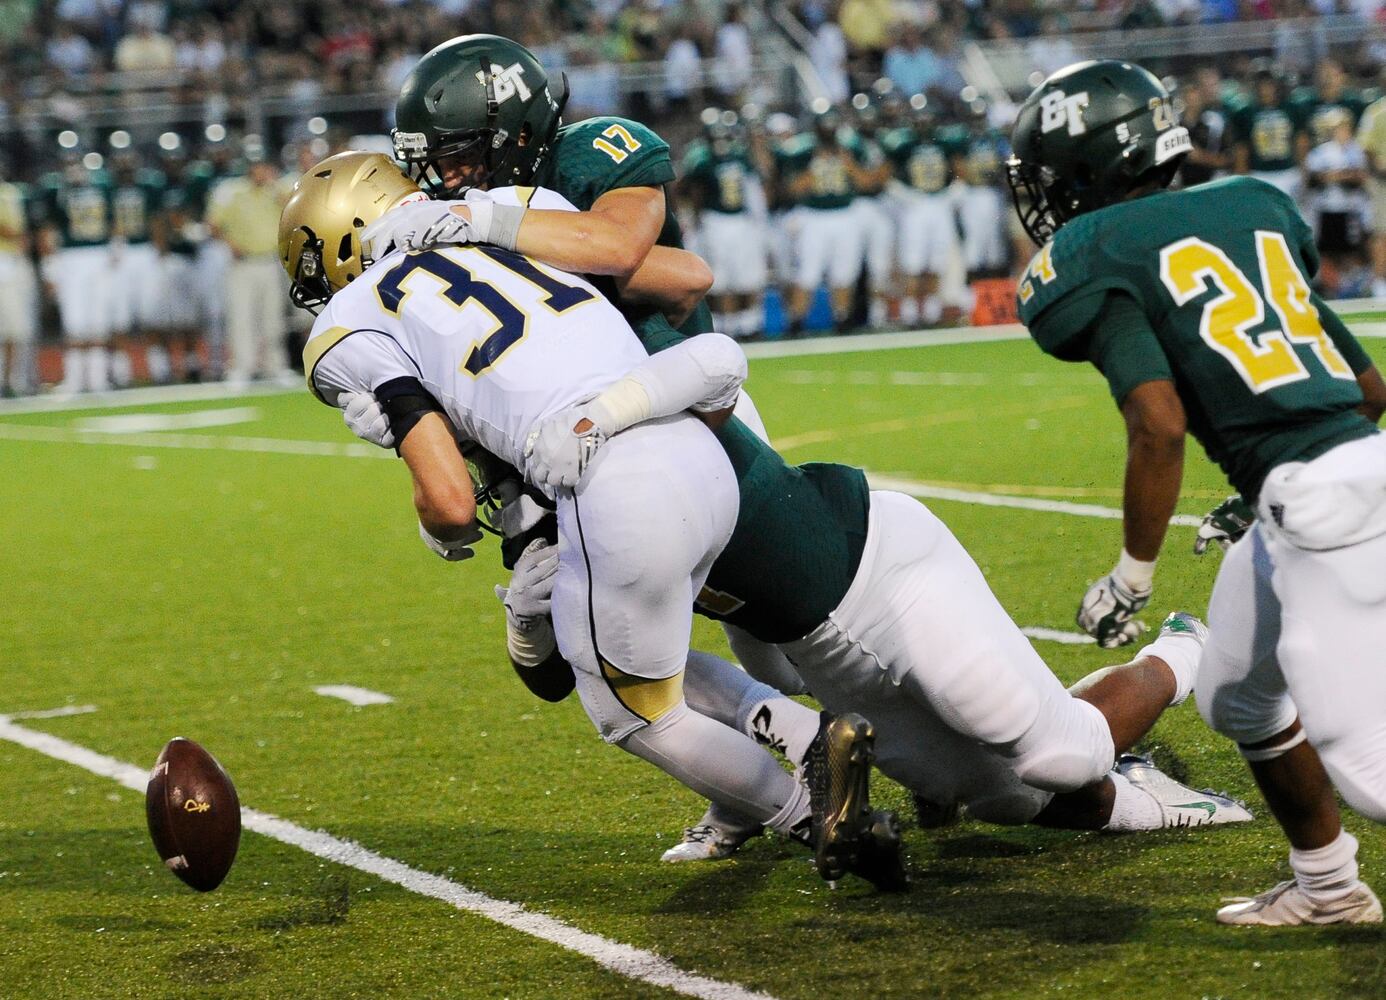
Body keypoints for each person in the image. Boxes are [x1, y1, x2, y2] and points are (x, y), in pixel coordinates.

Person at [280, 151, 889, 889]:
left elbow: (449, 502)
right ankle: (800, 740)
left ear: (341, 239)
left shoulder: (349, 319)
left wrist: (436, 520)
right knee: (628, 653)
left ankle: (814, 811)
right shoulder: (509, 207)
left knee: (630, 711)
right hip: (699, 442)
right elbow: (679, 276)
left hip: (606, 477)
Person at [1008, 58, 1386, 925]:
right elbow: (1367, 390)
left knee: (1370, 774)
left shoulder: (1095, 250)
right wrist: (1257, 491)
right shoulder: (1252, 205)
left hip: (1320, 507)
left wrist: (1131, 576)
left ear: (1086, 166)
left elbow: (1159, 423)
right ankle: (1329, 888)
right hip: (1337, 475)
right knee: (1236, 695)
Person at [679, 109, 769, 340]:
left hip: (741, 219)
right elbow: (687, 190)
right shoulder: (700, 158)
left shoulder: (741, 156)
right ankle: (725, 324)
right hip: (714, 220)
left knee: (747, 275)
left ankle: (749, 323)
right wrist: (693, 219)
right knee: (720, 278)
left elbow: (759, 181)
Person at [207, 150, 290, 385]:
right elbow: (213, 224)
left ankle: (276, 366)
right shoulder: (231, 191)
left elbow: (294, 212)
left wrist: (274, 186)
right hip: (242, 263)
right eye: (256, 166)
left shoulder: (276, 189)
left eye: (263, 166)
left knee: (273, 317)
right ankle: (242, 368)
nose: (260, 171)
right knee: (241, 317)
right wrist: (230, 243)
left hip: (270, 261)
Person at [0, 171, 36, 396]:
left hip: (12, 261)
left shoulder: (13, 193)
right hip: (8, 260)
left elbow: (23, 231)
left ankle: (14, 380)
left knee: (18, 327)